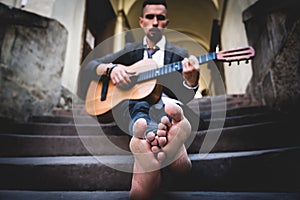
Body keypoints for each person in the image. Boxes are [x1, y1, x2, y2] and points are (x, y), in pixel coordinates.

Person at [78, 0, 203, 199]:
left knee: (170, 107)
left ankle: (145, 151)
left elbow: (185, 95)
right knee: (134, 103)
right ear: (142, 21)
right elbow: (89, 66)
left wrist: (191, 81)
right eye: (150, 17)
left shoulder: (180, 55)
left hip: (166, 104)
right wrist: (112, 69)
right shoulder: (130, 50)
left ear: (166, 23)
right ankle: (174, 148)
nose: (155, 22)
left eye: (160, 18)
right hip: (131, 105)